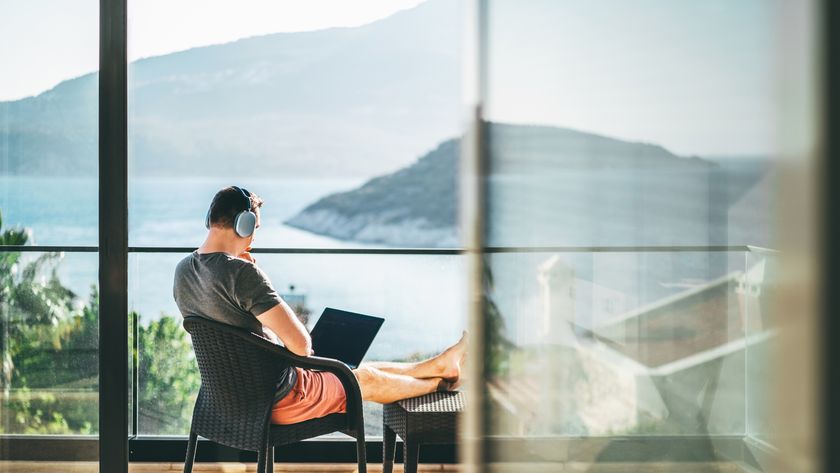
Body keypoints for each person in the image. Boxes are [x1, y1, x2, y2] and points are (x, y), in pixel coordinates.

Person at [173, 186, 465, 425]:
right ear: (243, 224)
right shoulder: (242, 273)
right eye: (255, 228)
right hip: (277, 400)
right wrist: (257, 276)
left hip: (228, 399)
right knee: (364, 379)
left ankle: (435, 365)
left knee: (354, 367)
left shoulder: (183, 270)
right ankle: (439, 384)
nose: (253, 238)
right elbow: (301, 346)